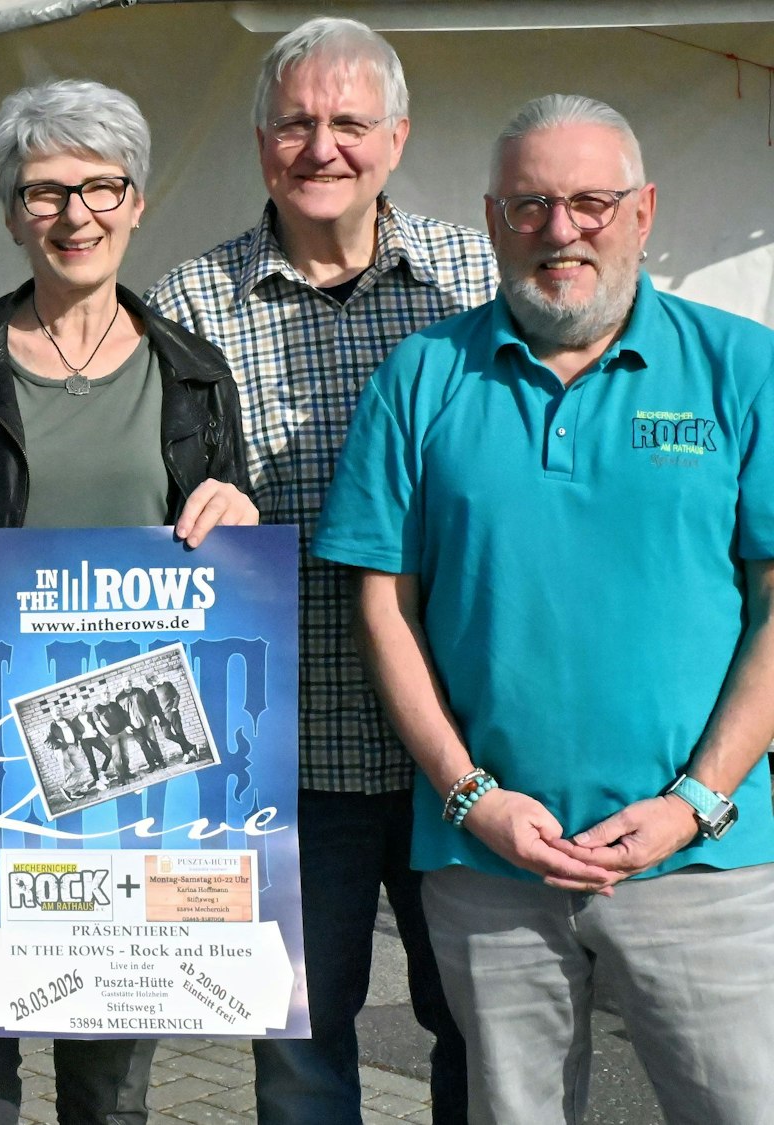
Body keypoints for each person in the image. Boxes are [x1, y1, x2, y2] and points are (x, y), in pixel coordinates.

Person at [317, 93, 774, 1125]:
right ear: (490, 218)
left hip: (700, 860)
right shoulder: (423, 376)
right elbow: (382, 609)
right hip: (487, 866)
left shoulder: (740, 367)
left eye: (588, 202)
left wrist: (692, 803)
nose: (559, 231)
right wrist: (466, 794)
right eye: (528, 207)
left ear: (642, 210)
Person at [0, 78, 256, 1125]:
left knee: (107, 1092)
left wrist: (236, 515)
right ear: (8, 211)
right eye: (43, 191)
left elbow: (223, 580)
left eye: (99, 187)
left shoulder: (191, 374)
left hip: (130, 772)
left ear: (134, 203)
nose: (73, 214)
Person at [145, 18, 494, 1123]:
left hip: (464, 738)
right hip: (282, 753)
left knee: (482, 1033)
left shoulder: (473, 284)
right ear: (259, 142)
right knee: (296, 1040)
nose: (320, 147)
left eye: (348, 123)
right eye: (295, 122)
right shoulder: (187, 304)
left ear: (394, 138)